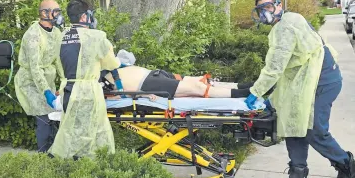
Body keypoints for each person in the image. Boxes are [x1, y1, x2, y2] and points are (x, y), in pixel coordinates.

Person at [246, 0, 355, 178]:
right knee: (293, 125)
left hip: (322, 81)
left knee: (313, 129)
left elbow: (275, 66)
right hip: (306, 82)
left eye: (268, 7)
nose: (265, 13)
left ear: (279, 5)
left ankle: (348, 167)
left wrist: (255, 92)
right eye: (260, 9)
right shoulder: (288, 21)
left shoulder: (287, 26)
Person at [49, 0, 121, 159]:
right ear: (84, 16)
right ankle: (92, 168)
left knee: (71, 131)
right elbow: (111, 64)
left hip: (68, 90)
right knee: (93, 132)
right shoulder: (96, 37)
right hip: (88, 92)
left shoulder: (60, 36)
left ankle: (69, 165)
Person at [14, 0, 63, 152]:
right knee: (44, 118)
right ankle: (43, 156)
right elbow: (35, 68)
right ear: (44, 13)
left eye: (58, 11)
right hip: (30, 81)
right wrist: (46, 91)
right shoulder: (33, 35)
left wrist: (64, 81)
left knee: (56, 117)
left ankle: (55, 152)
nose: (58, 15)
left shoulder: (56, 32)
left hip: (47, 80)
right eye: (55, 11)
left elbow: (59, 60)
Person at [100, 65, 253, 98]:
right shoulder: (98, 85)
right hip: (147, 85)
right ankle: (243, 93)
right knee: (198, 87)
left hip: (152, 75)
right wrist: (144, 95)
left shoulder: (98, 72)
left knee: (196, 80)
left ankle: (240, 86)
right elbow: (120, 95)